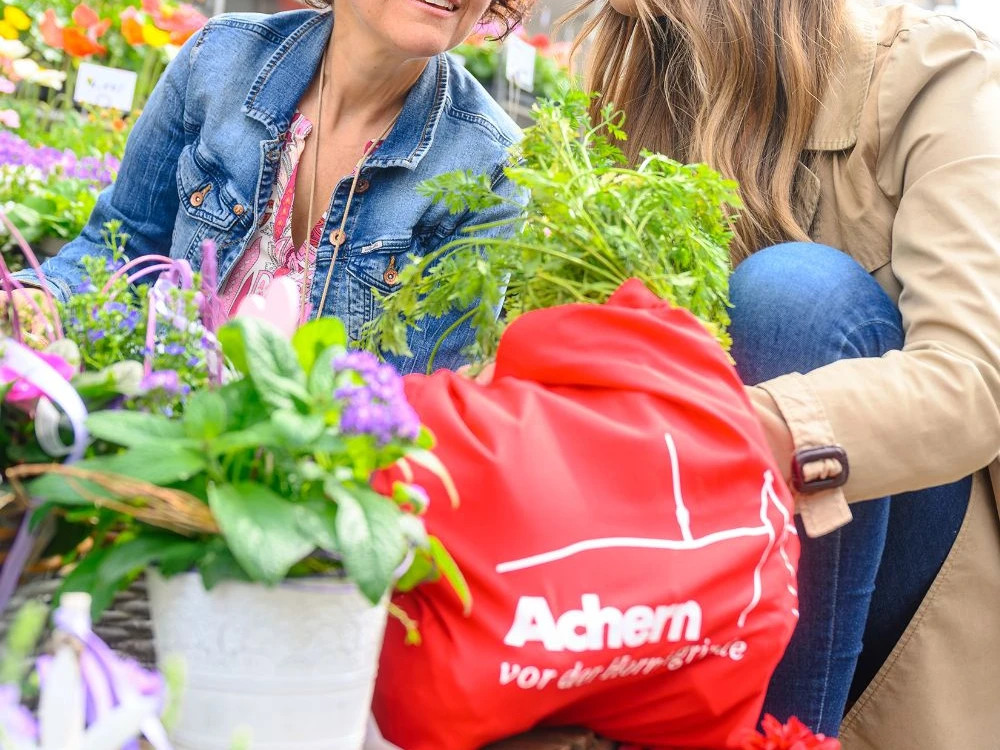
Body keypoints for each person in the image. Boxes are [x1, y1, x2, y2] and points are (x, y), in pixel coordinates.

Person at [570, 0, 1000, 747]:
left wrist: (728, 430)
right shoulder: (634, 81)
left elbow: (972, 384)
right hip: (709, 552)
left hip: (895, 579)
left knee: (795, 295)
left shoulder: (932, 69)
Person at [5, 0, 526, 374]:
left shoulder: (489, 166)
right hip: (146, 447)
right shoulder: (219, 60)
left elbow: (415, 401)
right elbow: (121, 245)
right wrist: (33, 302)